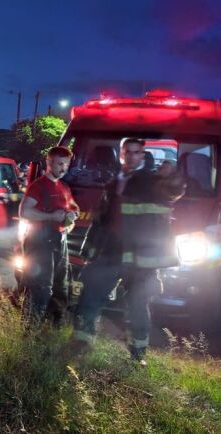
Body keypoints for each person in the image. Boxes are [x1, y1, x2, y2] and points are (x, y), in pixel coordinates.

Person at [69, 138, 185, 365]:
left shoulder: (152, 182)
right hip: (110, 253)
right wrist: (89, 251)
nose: (131, 156)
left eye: (136, 152)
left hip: (141, 259)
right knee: (89, 297)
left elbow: (173, 191)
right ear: (121, 154)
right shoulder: (113, 183)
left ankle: (138, 355)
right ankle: (81, 343)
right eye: (127, 152)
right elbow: (100, 221)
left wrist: (172, 176)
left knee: (137, 306)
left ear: (142, 156)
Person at [19, 146, 79, 326]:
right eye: (60, 164)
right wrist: (51, 216)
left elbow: (72, 209)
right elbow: (24, 212)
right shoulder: (38, 186)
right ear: (49, 162)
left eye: (66, 165)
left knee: (61, 287)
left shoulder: (64, 187)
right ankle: (30, 331)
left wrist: (71, 220)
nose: (63, 168)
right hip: (40, 242)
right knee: (41, 289)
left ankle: (52, 330)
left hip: (60, 242)